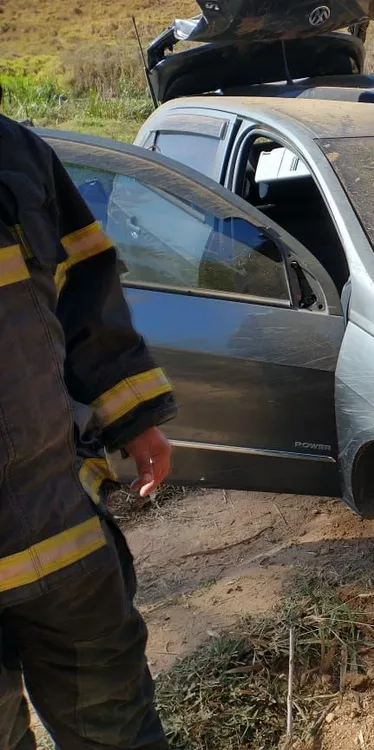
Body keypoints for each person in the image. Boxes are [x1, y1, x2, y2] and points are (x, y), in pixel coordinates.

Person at [0, 110, 178, 745]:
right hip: (55, 527)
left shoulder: (15, 150)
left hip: (61, 532)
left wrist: (135, 419)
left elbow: (84, 287)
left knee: (117, 731)